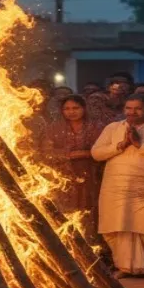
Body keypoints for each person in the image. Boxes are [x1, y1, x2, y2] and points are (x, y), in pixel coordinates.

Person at [91, 94, 144, 280]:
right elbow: (96, 153)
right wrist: (120, 146)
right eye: (128, 108)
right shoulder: (113, 128)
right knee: (117, 225)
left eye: (138, 108)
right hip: (117, 185)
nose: (132, 112)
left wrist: (140, 144)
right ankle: (123, 266)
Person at [41, 95, 105, 224]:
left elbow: (104, 149)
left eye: (76, 108)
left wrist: (87, 154)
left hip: (92, 176)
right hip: (64, 176)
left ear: (84, 108)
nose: (71, 112)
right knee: (66, 212)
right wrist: (70, 154)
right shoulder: (53, 128)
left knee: (90, 210)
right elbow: (46, 152)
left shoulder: (97, 126)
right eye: (67, 109)